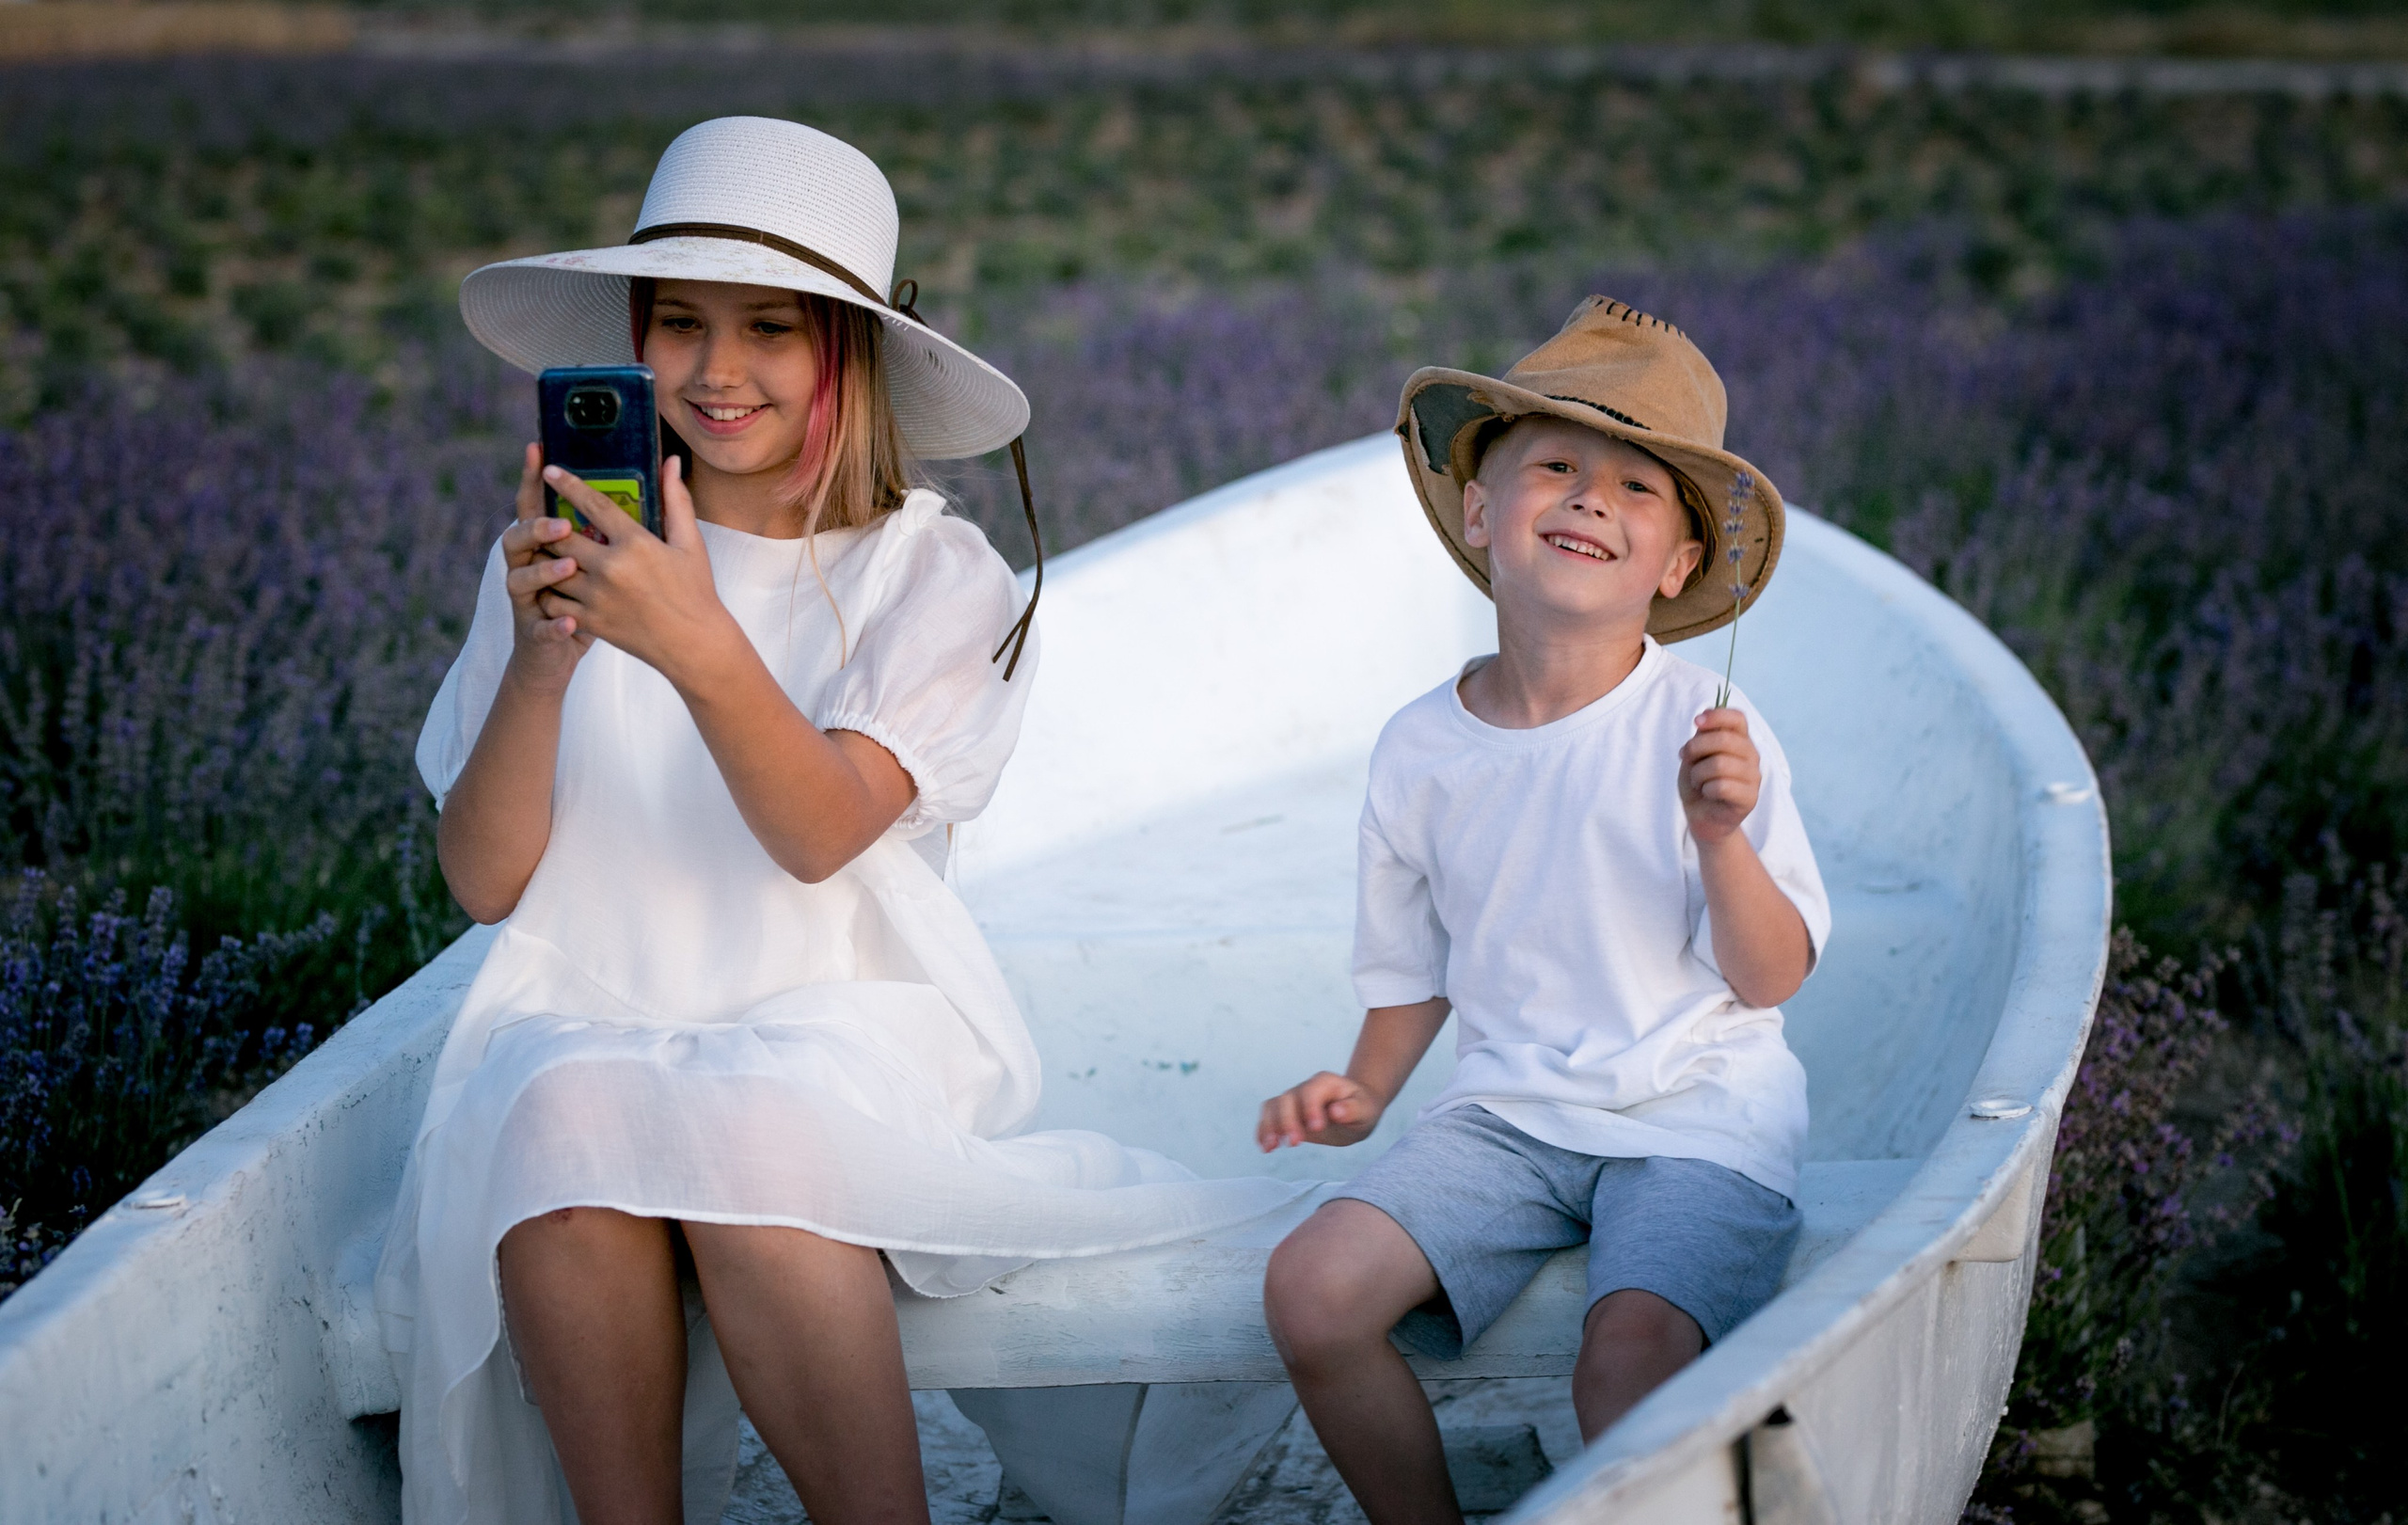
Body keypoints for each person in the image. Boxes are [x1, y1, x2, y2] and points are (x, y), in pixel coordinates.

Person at [373, 116, 1302, 1525]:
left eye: (771, 329)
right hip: (594, 992)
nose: (715, 368)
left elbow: (817, 836)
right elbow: (488, 880)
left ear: (846, 355)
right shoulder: (587, 552)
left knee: (752, 1137)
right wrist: (544, 658)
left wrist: (693, 640)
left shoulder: (929, 578)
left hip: (841, 1010)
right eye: (678, 323)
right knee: (559, 1108)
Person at [1255, 297, 1830, 1525]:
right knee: (1311, 1288)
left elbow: (1772, 974)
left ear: (1677, 562)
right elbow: (1413, 969)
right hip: (1511, 1115)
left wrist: (1720, 836)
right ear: (1479, 512)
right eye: (1555, 468)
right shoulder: (1421, 744)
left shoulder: (1705, 736)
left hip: (1694, 1110)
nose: (1589, 500)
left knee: (1626, 1360)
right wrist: (1359, 1091)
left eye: (1636, 488)